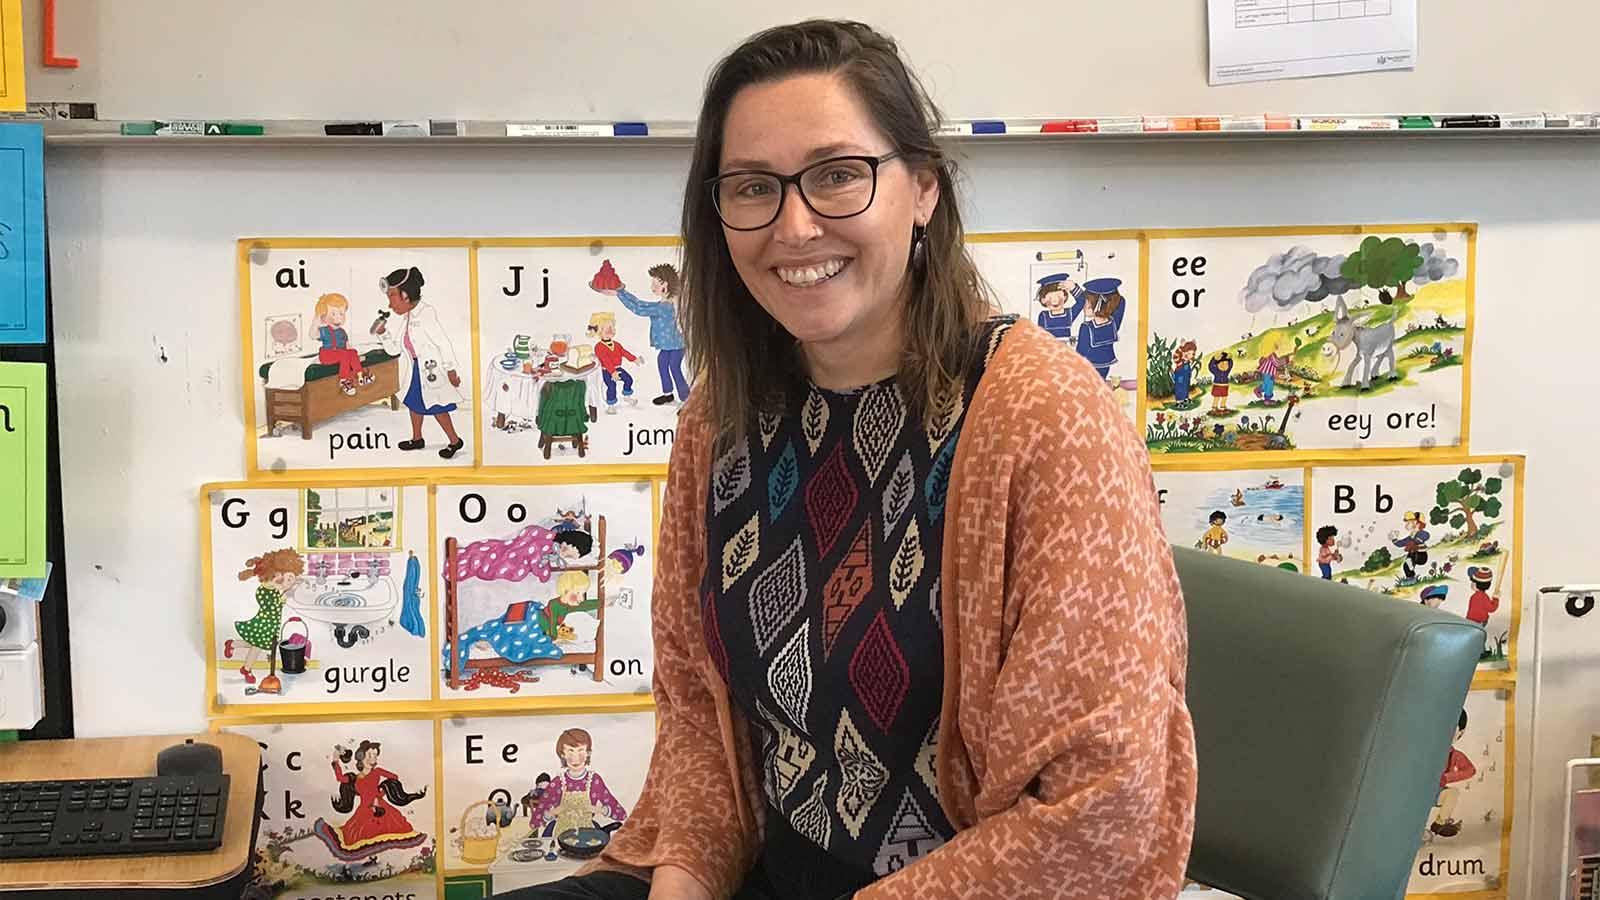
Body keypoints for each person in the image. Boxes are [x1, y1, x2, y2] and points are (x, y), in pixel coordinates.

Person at [503, 19, 1194, 900]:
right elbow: (699, 719)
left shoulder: (1045, 419)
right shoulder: (722, 414)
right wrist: (683, 883)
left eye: (837, 176)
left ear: (923, 192)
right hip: (775, 869)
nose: (793, 226)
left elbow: (1104, 812)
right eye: (753, 187)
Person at [371, 266, 466, 459]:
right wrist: (384, 335)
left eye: (392, 296)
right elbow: (395, 350)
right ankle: (417, 438)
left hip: (431, 371)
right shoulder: (406, 318)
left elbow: (442, 342)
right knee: (414, 404)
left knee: (437, 407)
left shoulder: (425, 313)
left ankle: (455, 441)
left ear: (405, 295)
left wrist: (451, 370)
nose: (390, 304)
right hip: (415, 370)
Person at [597, 263, 693, 406]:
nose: (652, 287)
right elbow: (639, 304)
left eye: (655, 283)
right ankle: (668, 394)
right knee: (662, 365)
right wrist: (620, 292)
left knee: (674, 368)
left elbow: (638, 308)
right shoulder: (664, 304)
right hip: (667, 346)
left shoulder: (664, 307)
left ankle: (686, 400)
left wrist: (620, 293)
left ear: (665, 284)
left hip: (677, 345)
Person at [314, 292, 371, 396]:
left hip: (340, 353)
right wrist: (317, 318)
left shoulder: (342, 332)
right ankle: (344, 380)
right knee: (344, 354)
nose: (338, 318)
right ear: (323, 316)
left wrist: (355, 357)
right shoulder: (324, 330)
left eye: (341, 314)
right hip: (327, 355)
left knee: (352, 352)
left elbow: (347, 346)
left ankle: (360, 374)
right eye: (333, 314)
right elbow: (313, 335)